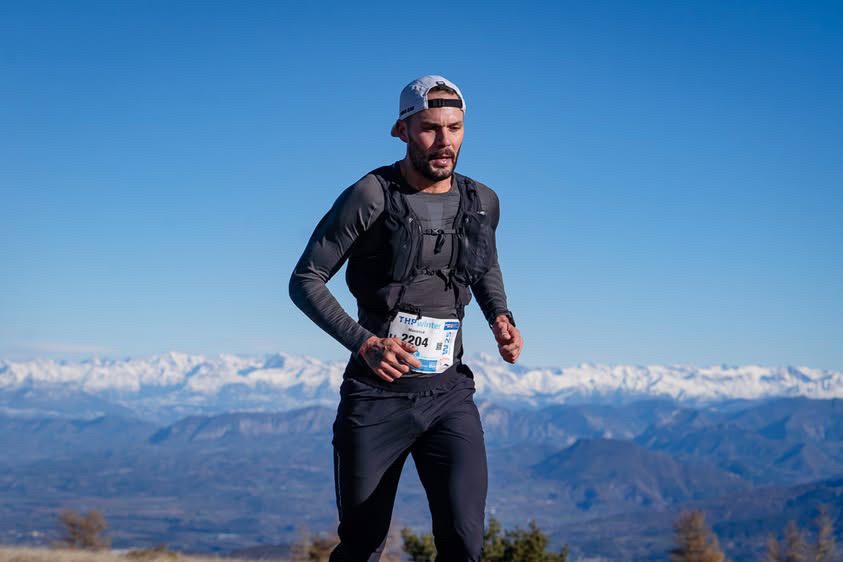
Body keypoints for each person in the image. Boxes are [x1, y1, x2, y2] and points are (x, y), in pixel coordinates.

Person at [289, 74, 523, 562]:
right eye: (430, 129)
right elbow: (306, 279)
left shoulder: (482, 202)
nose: (444, 142)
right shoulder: (371, 195)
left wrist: (500, 315)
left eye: (454, 128)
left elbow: (485, 263)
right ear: (402, 131)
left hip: (448, 392)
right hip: (376, 397)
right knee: (363, 544)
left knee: (464, 541)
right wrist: (364, 343)